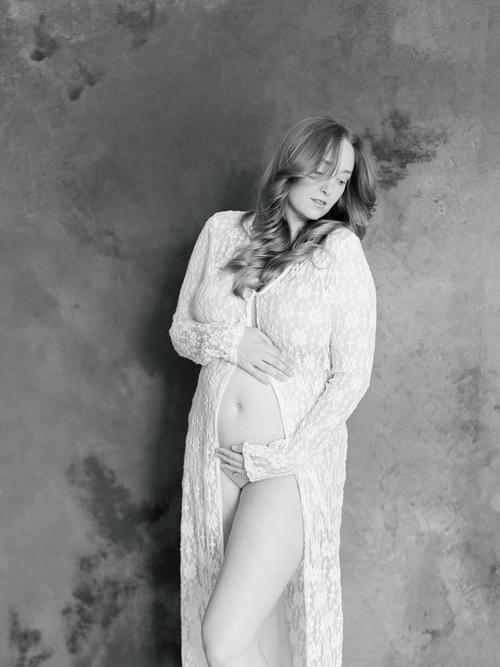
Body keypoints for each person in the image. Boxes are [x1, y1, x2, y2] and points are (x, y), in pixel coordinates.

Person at [169, 115, 378, 667]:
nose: (330, 190)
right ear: (293, 163)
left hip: (287, 466)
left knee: (225, 637)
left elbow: (352, 376)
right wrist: (231, 340)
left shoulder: (338, 251)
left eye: (342, 180)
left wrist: (276, 458)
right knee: (260, 641)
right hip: (213, 458)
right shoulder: (221, 231)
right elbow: (181, 332)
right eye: (323, 172)